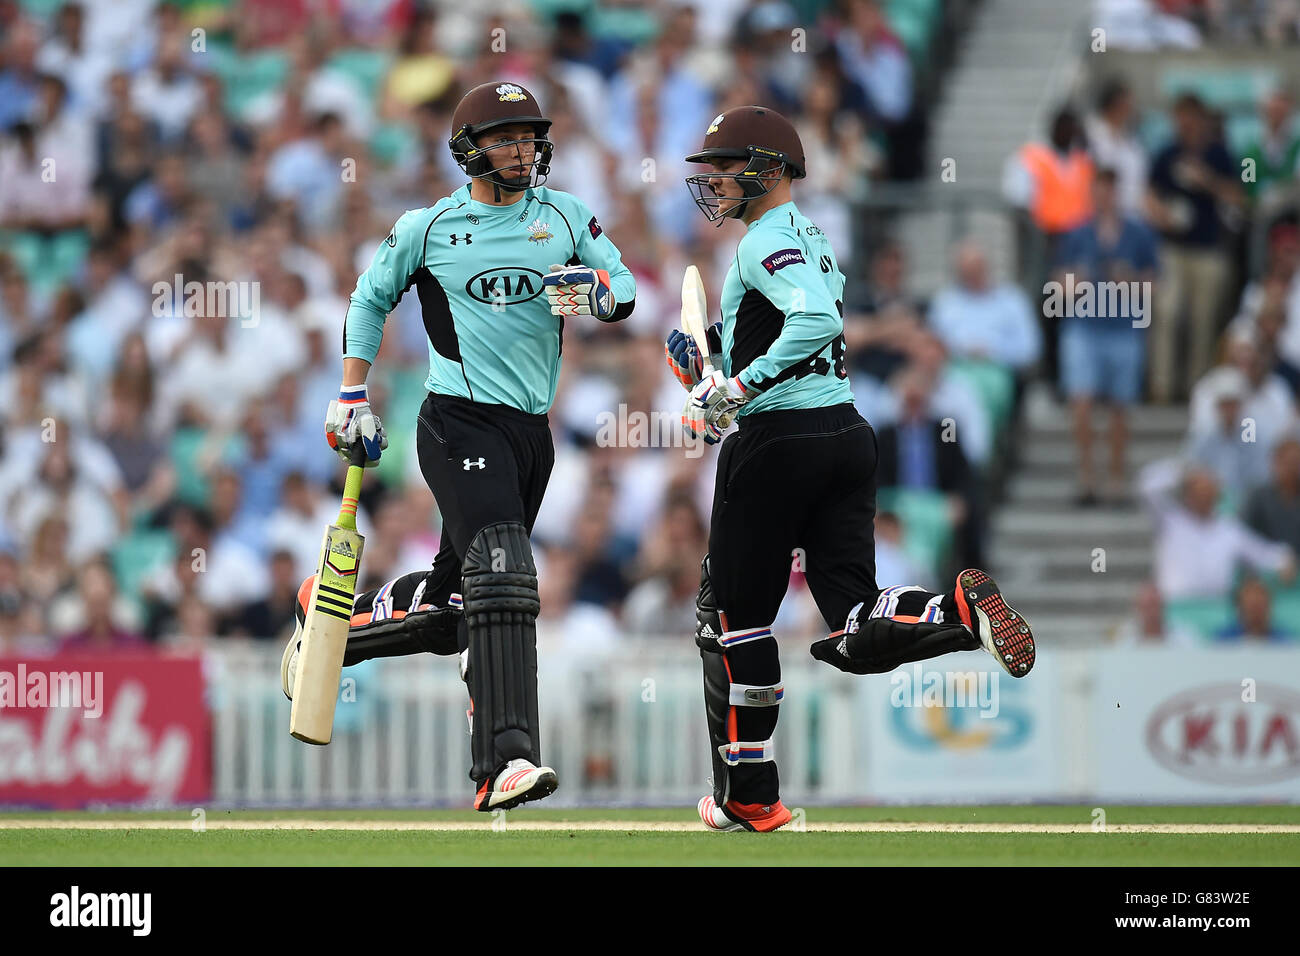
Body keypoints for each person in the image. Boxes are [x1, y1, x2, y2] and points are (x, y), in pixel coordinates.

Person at [667, 105, 1036, 834]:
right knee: (852, 621)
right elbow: (780, 324)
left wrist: (734, 390)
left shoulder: (761, 241)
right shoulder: (813, 237)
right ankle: (956, 614)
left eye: (727, 165)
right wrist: (706, 357)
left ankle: (751, 792)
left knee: (735, 620)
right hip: (846, 435)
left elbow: (814, 323)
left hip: (777, 443)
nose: (713, 181)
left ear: (769, 169)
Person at [280, 81, 636, 812]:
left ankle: (334, 626)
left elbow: (624, 288)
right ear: (470, 148)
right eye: (506, 138)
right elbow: (369, 296)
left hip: (530, 435)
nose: (523, 149)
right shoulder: (431, 226)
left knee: (453, 612)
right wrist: (351, 392)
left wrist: (588, 291)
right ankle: (505, 760)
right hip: (456, 423)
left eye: (530, 136)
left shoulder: (564, 215)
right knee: (504, 568)